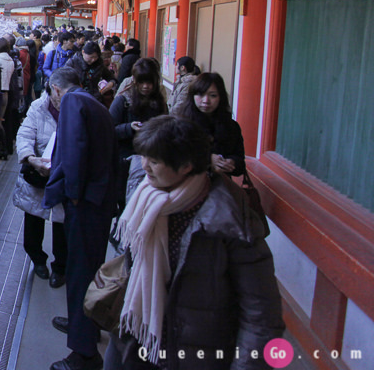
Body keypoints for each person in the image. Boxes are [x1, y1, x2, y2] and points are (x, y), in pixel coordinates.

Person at [106, 115, 283, 369]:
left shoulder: (229, 220)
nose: (144, 166)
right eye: (144, 156)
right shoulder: (147, 196)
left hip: (196, 352)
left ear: (187, 166)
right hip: (138, 342)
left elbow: (261, 313)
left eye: (154, 161)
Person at [45, 67, 119, 370]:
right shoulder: (92, 102)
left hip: (86, 202)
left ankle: (84, 353)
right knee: (86, 269)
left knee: (80, 273)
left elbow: (74, 150)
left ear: (57, 89)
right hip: (99, 200)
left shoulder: (74, 103)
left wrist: (72, 193)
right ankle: (83, 324)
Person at [15, 82, 69, 288]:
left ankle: (60, 267)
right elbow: (25, 134)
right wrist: (30, 157)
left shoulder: (74, 108)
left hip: (63, 174)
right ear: (53, 90)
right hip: (38, 172)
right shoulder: (38, 107)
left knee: (61, 222)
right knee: (34, 218)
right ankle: (38, 260)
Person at [110, 58, 169, 204]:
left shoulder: (159, 101)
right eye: (141, 82)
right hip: (126, 161)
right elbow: (109, 130)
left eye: (149, 82)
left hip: (153, 161)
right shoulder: (123, 101)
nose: (145, 87)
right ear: (134, 80)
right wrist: (129, 127)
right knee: (126, 204)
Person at [174, 72, 247, 176]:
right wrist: (208, 159)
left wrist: (231, 163)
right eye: (200, 94)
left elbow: (240, 163)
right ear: (192, 96)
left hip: (219, 184)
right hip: (187, 182)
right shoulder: (181, 124)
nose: (206, 101)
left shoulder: (231, 127)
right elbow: (174, 157)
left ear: (221, 97)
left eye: (213, 95)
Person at [66, 40, 117, 106]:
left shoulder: (99, 64)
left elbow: (110, 77)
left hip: (95, 99)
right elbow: (65, 81)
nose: (93, 60)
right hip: (76, 100)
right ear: (83, 52)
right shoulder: (72, 63)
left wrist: (111, 83)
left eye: (96, 57)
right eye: (91, 57)